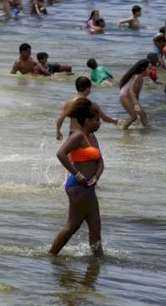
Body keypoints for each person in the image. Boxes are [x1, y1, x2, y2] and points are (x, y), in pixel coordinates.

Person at [49, 98, 104, 257]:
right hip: (77, 187)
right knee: (72, 226)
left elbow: (101, 162)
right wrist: (77, 174)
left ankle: (97, 262)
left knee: (95, 226)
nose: (99, 123)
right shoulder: (77, 136)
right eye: (96, 120)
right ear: (87, 121)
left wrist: (97, 176)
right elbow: (60, 154)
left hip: (89, 187)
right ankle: (51, 255)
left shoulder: (93, 138)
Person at [119, 60, 150, 129]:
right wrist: (135, 104)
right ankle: (123, 128)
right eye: (149, 68)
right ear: (143, 69)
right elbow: (131, 90)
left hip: (131, 98)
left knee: (143, 114)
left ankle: (146, 130)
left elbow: (137, 94)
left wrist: (137, 104)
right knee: (134, 117)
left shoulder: (141, 80)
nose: (151, 70)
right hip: (124, 96)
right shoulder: (136, 76)